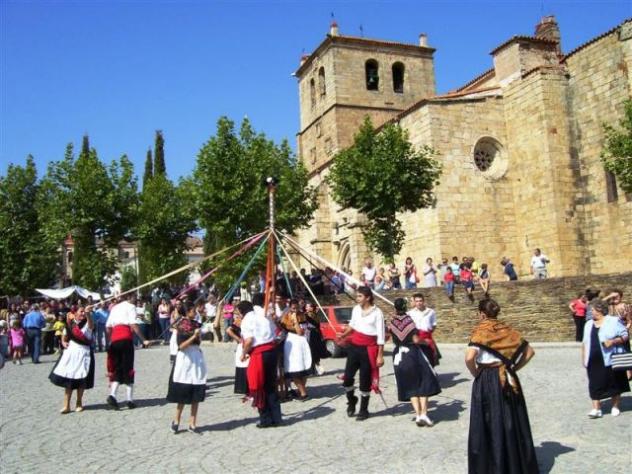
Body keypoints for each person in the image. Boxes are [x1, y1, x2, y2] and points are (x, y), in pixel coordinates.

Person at [465, 298, 538, 474]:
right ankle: (513, 463)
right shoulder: (507, 330)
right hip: (508, 377)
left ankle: (492, 465)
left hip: (487, 378)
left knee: (489, 419)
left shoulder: (480, 332)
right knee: (510, 418)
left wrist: (476, 373)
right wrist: (514, 368)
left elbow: (469, 358)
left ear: (481, 314)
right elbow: (529, 352)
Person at [388, 298, 441, 427]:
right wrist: (426, 342)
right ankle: (424, 414)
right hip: (412, 354)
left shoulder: (392, 323)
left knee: (410, 385)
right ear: (405, 307)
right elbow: (416, 339)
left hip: (399, 356)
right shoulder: (408, 321)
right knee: (424, 381)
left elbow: (389, 336)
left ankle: (418, 415)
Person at [337, 286, 385, 421]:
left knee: (365, 380)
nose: (357, 298)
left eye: (360, 296)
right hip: (354, 347)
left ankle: (364, 410)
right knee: (347, 378)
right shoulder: (356, 309)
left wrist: (380, 355)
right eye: (357, 296)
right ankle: (351, 400)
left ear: (368, 298)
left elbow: (381, 335)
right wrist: (343, 335)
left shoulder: (377, 313)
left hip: (368, 349)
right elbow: (352, 325)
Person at [582, 298, 630, 418]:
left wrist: (613, 341)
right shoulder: (588, 324)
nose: (590, 312)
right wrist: (583, 358)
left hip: (611, 359)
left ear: (600, 309)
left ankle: (615, 406)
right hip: (592, 360)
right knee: (594, 384)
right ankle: (596, 409)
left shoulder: (613, 321)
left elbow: (625, 335)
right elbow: (584, 343)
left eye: (592, 309)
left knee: (614, 383)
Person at [240, 296, 283, 428]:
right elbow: (276, 333)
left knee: (259, 387)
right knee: (271, 386)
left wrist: (243, 353)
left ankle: (265, 419)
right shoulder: (266, 315)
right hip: (271, 351)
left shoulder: (248, 318)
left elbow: (249, 340)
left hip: (259, 354)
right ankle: (276, 418)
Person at [167, 303, 208, 434]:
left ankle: (192, 423)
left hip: (196, 358)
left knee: (196, 391)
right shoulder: (180, 325)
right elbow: (181, 346)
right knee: (183, 393)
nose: (195, 313)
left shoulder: (196, 324)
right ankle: (176, 421)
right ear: (187, 311)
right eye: (193, 311)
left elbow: (212, 326)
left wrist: (219, 309)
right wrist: (194, 337)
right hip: (185, 359)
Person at [106, 295, 150, 410]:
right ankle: (129, 400)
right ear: (130, 297)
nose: (136, 300)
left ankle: (112, 395)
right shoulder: (130, 307)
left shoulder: (114, 308)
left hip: (115, 340)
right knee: (128, 368)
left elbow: (108, 327)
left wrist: (111, 340)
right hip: (125, 339)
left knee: (117, 368)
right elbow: (133, 324)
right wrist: (143, 339)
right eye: (135, 298)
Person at [49, 305, 95, 413]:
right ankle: (66, 405)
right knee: (68, 379)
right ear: (75, 313)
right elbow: (64, 335)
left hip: (84, 353)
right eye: (81, 311)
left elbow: (91, 326)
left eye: (84, 312)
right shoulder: (70, 324)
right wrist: (63, 342)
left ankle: (79, 403)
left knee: (81, 379)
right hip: (71, 353)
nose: (83, 313)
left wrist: (88, 314)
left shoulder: (87, 323)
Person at [279, 299, 312, 400]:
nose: (295, 310)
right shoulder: (285, 316)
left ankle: (302, 391)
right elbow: (282, 327)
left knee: (304, 368)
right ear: (290, 307)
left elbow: (300, 332)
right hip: (291, 343)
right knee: (293, 369)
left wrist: (295, 321)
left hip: (301, 342)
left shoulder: (302, 316)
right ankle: (302, 392)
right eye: (293, 308)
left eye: (297, 307)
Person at [408, 293, 440, 366]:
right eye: (417, 301)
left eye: (420, 301)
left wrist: (427, 334)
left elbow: (434, 325)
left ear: (423, 301)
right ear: (414, 302)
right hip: (416, 338)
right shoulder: (410, 313)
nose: (419, 303)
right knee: (417, 360)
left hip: (427, 338)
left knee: (429, 359)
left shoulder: (431, 312)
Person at [226, 304, 249, 398]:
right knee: (243, 367)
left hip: (248, 344)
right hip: (243, 345)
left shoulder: (248, 319)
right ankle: (245, 390)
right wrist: (239, 339)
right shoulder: (239, 320)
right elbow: (229, 330)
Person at [304, 301, 329, 375]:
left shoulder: (312, 315)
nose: (307, 308)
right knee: (311, 352)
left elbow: (315, 325)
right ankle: (314, 369)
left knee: (313, 352)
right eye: (306, 306)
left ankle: (317, 368)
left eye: (309, 306)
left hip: (313, 335)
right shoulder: (307, 314)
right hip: (309, 334)